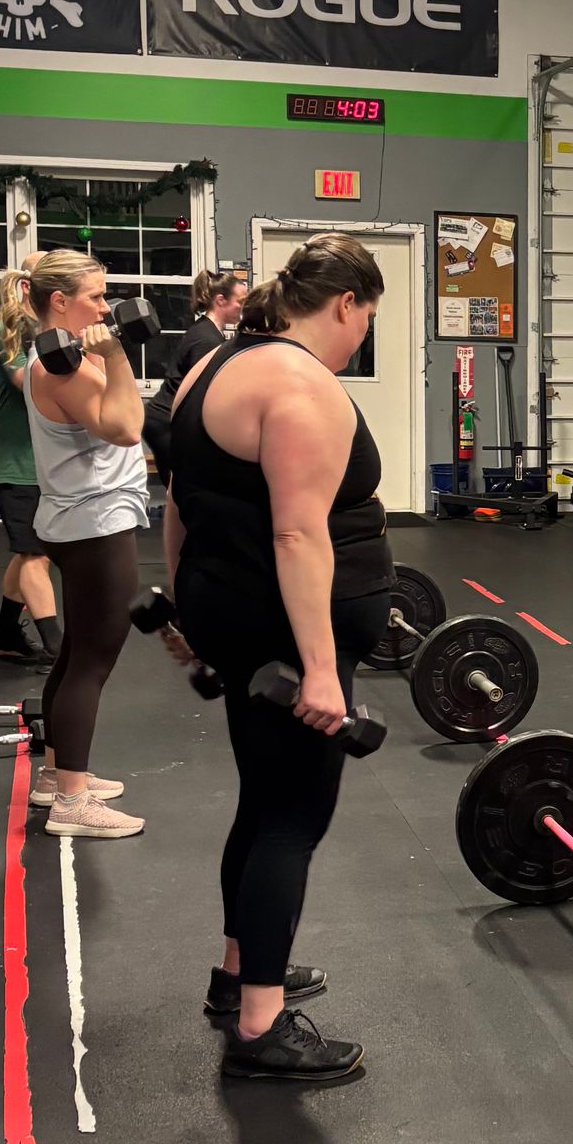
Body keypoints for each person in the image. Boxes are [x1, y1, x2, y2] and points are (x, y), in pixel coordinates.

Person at [162, 234, 392, 1083]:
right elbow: (298, 534)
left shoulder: (211, 367)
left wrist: (183, 603)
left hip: (230, 613)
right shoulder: (301, 386)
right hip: (282, 635)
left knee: (261, 800)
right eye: (367, 318)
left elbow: (179, 501)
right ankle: (261, 1027)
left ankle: (240, 973)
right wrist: (322, 671)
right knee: (293, 817)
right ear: (346, 304)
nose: (362, 335)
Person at [22, 250, 150, 840]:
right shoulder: (59, 367)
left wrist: (104, 354)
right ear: (59, 302)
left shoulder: (65, 356)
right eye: (95, 296)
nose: (105, 306)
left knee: (76, 653)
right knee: (93, 662)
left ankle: (56, 775)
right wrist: (118, 355)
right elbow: (125, 426)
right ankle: (72, 801)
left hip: (84, 518)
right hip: (95, 523)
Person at [0, 270, 63, 670]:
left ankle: (4, 635)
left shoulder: (49, 331)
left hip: (43, 462)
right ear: (29, 286)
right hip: (15, 463)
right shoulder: (8, 331)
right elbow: (29, 385)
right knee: (34, 555)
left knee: (35, 552)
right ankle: (57, 648)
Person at [143, 265, 247, 486]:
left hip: (165, 420)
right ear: (221, 300)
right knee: (183, 487)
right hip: (165, 422)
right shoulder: (206, 339)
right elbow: (201, 393)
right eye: (240, 301)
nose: (243, 307)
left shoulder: (208, 331)